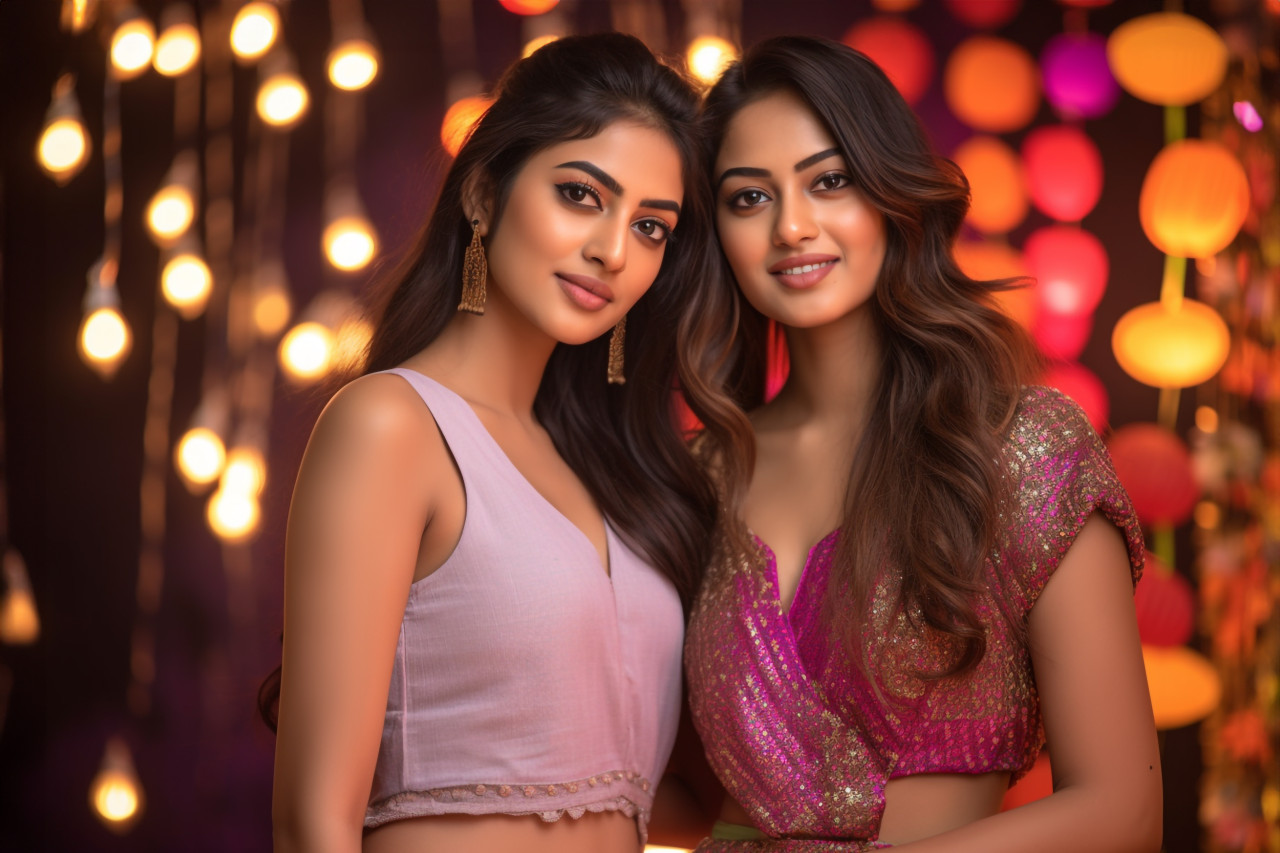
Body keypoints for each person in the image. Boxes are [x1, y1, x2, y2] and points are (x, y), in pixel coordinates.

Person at [683, 36, 1162, 852]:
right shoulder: (701, 473)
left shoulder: (1020, 449)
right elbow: (652, 786)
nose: (791, 226)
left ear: (891, 192)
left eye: (830, 181)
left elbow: (1124, 813)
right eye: (749, 197)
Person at [264, 33, 735, 853]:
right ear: (483, 194)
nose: (613, 250)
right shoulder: (392, 425)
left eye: (651, 227)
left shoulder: (619, 472)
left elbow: (645, 795)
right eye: (581, 195)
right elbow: (313, 820)